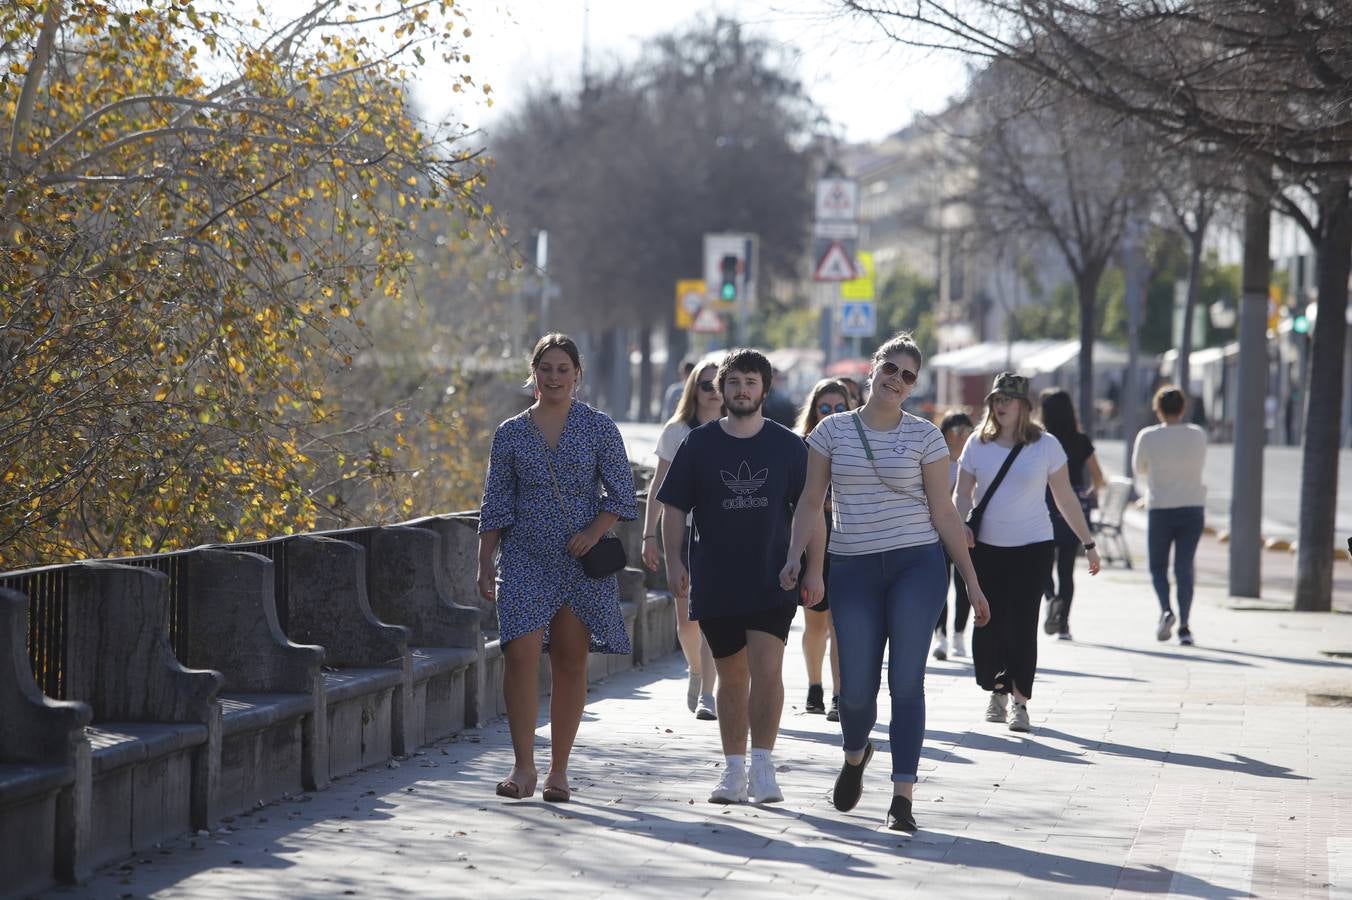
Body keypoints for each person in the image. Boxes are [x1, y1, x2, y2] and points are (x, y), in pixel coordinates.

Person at [780, 332, 991, 833]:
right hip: (852, 566)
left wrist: (972, 582)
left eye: (908, 375)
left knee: (906, 681)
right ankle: (855, 756)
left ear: (914, 385)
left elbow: (943, 511)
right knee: (854, 690)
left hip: (916, 565)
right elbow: (811, 502)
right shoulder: (830, 431)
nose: (897, 380)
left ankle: (902, 797)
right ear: (873, 370)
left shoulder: (925, 436)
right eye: (890, 369)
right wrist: (798, 559)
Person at [476, 333, 638, 802]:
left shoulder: (599, 427)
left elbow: (623, 495)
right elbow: (496, 501)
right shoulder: (510, 433)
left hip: (579, 558)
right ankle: (522, 767)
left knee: (570, 659)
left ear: (577, 375)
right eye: (546, 368)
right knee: (519, 653)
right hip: (525, 555)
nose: (554, 377)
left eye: (563, 368)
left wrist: (595, 530)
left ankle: (558, 771)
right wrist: (485, 560)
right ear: (534, 374)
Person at [656, 349, 811, 805]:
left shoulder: (787, 446)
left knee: (768, 671)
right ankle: (733, 771)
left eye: (751, 381)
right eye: (734, 382)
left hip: (773, 576)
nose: (742, 389)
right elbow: (674, 508)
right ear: (721, 390)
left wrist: (810, 565)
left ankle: (764, 768)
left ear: (765, 389)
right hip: (716, 575)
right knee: (730, 676)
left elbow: (809, 513)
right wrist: (674, 561)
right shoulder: (699, 443)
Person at [954, 372, 1100, 736]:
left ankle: (1019, 702)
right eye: (996, 400)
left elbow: (1065, 497)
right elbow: (961, 494)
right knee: (988, 623)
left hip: (1033, 547)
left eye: (1008, 400)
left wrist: (1088, 542)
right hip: (986, 547)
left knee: (1022, 625)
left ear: (1024, 406)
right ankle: (995, 688)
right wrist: (961, 527)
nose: (1000, 406)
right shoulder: (977, 444)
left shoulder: (1045, 445)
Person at [641, 358, 722, 719]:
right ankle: (696, 669)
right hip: (683, 530)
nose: (714, 392)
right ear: (694, 389)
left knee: (713, 617)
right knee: (687, 622)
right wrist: (648, 535)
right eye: (706, 385)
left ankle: (708, 694)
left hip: (721, 534)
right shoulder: (677, 431)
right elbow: (658, 487)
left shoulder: (736, 428)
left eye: (720, 384)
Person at [792, 379, 853, 721]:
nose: (832, 414)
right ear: (814, 410)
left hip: (849, 542)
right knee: (816, 625)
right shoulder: (800, 445)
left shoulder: (859, 442)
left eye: (840, 408)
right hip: (813, 546)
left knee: (841, 626)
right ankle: (815, 686)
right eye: (825, 408)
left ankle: (838, 695)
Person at [1133, 385, 1207, 646]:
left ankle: (1166, 610)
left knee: (1158, 566)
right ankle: (1185, 626)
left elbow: (1139, 469)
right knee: (1185, 567)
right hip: (1193, 507)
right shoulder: (1198, 435)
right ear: (1183, 408)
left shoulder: (1148, 436)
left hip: (1160, 507)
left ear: (1158, 409)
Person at [1037, 388, 1106, 640]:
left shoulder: (1041, 440)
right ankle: (1064, 624)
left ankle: (1050, 597)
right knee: (1067, 568)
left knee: (1042, 562)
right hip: (1071, 503)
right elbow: (1098, 478)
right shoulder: (1081, 440)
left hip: (1044, 501)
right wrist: (1088, 492)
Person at [932, 411, 976, 661]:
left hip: (966, 532)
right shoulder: (936, 460)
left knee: (964, 585)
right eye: (957, 431)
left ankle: (959, 633)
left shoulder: (973, 462)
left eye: (968, 432)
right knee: (941, 586)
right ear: (945, 432)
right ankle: (942, 635)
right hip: (938, 533)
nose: (962, 437)